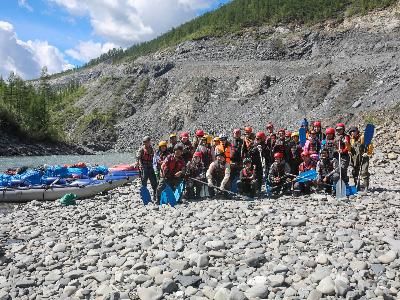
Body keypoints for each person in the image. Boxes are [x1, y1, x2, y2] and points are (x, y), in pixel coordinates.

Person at [349, 126, 373, 191]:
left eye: (353, 131)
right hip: (354, 158)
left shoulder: (362, 137)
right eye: (351, 132)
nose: (352, 133)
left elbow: (370, 145)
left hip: (363, 157)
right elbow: (350, 148)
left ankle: (366, 187)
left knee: (364, 172)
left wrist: (368, 153)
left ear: (357, 131)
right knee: (355, 172)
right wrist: (349, 151)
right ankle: (357, 186)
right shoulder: (351, 139)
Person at [136, 136, 158, 201]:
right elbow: (138, 157)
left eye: (146, 142)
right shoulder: (141, 149)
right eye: (144, 142)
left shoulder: (151, 149)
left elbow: (155, 157)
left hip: (150, 167)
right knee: (144, 182)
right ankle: (144, 196)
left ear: (149, 142)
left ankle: (155, 195)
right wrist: (139, 164)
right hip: (144, 167)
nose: (144, 143)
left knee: (154, 182)